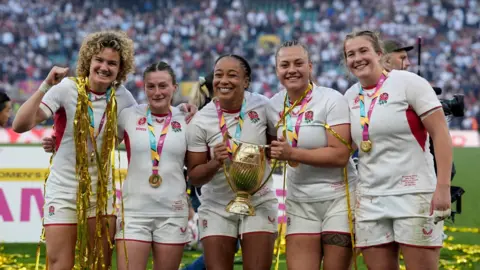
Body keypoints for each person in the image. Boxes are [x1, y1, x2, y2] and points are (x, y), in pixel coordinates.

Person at [13, 30, 137, 269]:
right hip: (63, 189)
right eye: (99, 60)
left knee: (98, 264)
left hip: (101, 193)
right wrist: (46, 84)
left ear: (120, 69)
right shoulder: (66, 89)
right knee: (60, 263)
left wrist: (183, 111)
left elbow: (142, 129)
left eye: (112, 63)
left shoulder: (124, 97)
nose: (104, 67)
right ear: (88, 61)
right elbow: (20, 125)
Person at [343, 30, 452, 270]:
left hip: (413, 194)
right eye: (351, 54)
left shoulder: (408, 82)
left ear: (379, 54)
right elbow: (346, 147)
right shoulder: (350, 96)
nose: (357, 58)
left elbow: (441, 133)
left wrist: (443, 187)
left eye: (364, 51)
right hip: (371, 198)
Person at [267, 40, 357, 270]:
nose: (292, 70)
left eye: (299, 63)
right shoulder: (273, 105)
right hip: (299, 200)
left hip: (338, 198)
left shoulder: (331, 99)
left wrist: (292, 153)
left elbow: (340, 155)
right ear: (277, 70)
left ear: (310, 66)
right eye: (284, 65)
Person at [186, 54, 278, 270]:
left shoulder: (263, 106)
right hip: (217, 204)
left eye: (232, 75)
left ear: (246, 81)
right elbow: (195, 176)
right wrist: (215, 162)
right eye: (218, 75)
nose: (223, 80)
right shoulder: (201, 119)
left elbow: (275, 149)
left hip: (259, 200)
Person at [113, 61, 189, 270]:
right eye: (151, 86)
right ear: (144, 88)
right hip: (135, 212)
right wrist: (55, 140)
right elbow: (99, 144)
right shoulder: (128, 116)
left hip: (172, 212)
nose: (157, 92)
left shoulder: (187, 119)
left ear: (174, 87)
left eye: (163, 86)